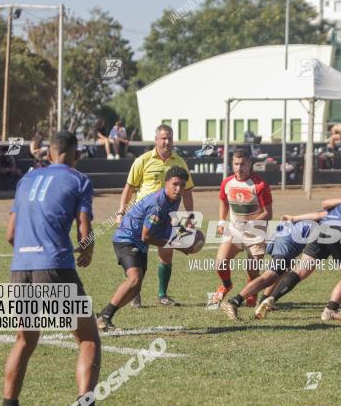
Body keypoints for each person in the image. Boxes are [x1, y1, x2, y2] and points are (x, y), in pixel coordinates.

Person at [0, 130, 118, 406]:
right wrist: (88, 249)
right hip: (55, 268)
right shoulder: (79, 180)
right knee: (89, 339)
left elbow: (11, 234)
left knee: (24, 340)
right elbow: (84, 231)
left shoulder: (25, 180)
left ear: (49, 153)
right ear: (75, 154)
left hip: (20, 269)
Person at [253, 190, 341, 322]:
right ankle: (330, 311)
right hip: (340, 230)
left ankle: (272, 298)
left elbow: (324, 205)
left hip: (322, 227)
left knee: (301, 270)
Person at [97, 167, 203, 331]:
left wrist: (186, 234)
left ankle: (103, 314)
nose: (179, 189)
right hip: (127, 238)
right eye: (175, 184)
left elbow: (165, 223)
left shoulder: (174, 198)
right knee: (134, 278)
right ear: (166, 183)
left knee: (135, 289)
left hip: (139, 242)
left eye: (182, 185)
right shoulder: (158, 204)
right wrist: (180, 246)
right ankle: (105, 317)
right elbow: (146, 237)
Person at [117, 124, 195, 306]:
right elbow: (129, 187)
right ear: (156, 140)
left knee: (166, 253)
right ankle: (134, 293)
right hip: (143, 216)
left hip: (169, 216)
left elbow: (188, 191)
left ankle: (162, 295)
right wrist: (121, 210)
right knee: (137, 255)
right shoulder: (142, 160)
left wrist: (189, 217)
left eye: (169, 138)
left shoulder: (180, 162)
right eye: (163, 138)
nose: (167, 142)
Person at [219, 219, 316, 321]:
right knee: (269, 276)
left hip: (279, 235)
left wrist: (294, 217)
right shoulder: (328, 218)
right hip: (286, 243)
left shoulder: (324, 215)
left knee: (283, 268)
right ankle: (234, 302)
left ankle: (263, 301)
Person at [211, 149, 273, 307]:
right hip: (234, 231)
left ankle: (251, 292)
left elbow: (268, 213)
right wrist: (221, 221)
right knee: (220, 263)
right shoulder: (227, 182)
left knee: (252, 271)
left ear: (250, 164)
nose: (239, 168)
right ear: (232, 164)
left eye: (243, 164)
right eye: (236, 164)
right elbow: (223, 202)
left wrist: (251, 224)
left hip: (255, 234)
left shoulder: (260, 185)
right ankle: (226, 286)